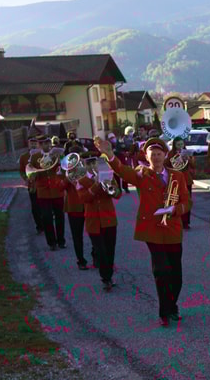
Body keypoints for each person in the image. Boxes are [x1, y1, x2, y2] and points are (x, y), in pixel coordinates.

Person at [96, 136, 190, 327]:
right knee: (161, 270)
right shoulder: (141, 174)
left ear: (165, 155)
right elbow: (122, 171)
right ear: (146, 157)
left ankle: (172, 305)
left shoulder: (177, 176)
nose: (155, 157)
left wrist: (176, 210)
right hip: (152, 230)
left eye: (158, 154)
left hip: (172, 228)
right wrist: (110, 155)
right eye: (152, 154)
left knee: (176, 274)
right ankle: (165, 312)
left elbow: (187, 202)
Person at [77, 152, 122, 290]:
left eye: (93, 163)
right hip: (93, 222)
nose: (91, 166)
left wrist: (112, 189)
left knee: (110, 250)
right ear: (84, 165)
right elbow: (83, 199)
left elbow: (118, 194)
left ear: (97, 163)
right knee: (101, 251)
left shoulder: (108, 175)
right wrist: (96, 185)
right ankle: (106, 278)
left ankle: (108, 276)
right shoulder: (81, 180)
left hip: (109, 219)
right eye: (88, 163)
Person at [31, 135, 66, 250]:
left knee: (60, 216)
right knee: (47, 218)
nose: (48, 145)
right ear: (40, 145)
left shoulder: (56, 154)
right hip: (43, 192)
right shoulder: (35, 157)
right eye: (45, 143)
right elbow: (31, 174)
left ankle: (61, 241)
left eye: (48, 143)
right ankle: (52, 243)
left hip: (57, 191)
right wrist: (36, 172)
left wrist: (60, 160)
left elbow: (64, 168)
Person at [62, 146, 92, 270]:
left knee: (94, 233)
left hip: (88, 205)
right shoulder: (65, 171)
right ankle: (81, 260)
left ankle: (96, 256)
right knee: (77, 236)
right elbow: (60, 186)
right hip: (74, 207)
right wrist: (68, 178)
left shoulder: (86, 168)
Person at [166, 138, 196, 229]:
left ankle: (186, 222)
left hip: (186, 179)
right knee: (176, 201)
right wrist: (175, 161)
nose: (180, 147)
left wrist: (189, 159)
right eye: (178, 145)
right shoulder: (171, 154)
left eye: (181, 144)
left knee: (187, 200)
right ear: (174, 145)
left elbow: (194, 165)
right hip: (175, 179)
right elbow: (166, 165)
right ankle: (177, 220)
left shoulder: (187, 153)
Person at [18, 134, 43, 234]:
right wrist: (25, 178)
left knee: (43, 207)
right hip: (32, 185)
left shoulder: (41, 155)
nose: (33, 145)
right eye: (31, 143)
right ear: (28, 144)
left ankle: (45, 224)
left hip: (42, 184)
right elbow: (21, 170)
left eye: (34, 143)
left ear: (37, 144)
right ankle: (39, 226)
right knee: (35, 207)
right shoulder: (24, 157)